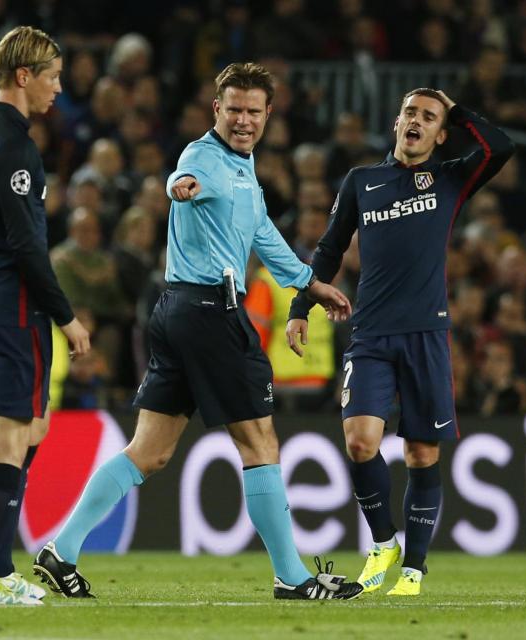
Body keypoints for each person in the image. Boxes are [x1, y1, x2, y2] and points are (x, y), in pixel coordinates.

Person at [33, 62, 362, 602]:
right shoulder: (203, 156)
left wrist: (311, 284)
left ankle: (60, 550)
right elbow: (183, 179)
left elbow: (266, 237)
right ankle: (292, 576)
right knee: (259, 442)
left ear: (268, 115)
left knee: (151, 451)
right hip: (210, 313)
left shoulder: (245, 171)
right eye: (234, 109)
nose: (243, 120)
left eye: (254, 111)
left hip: (182, 313)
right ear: (217, 109)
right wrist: (179, 188)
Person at [287, 88, 514, 596]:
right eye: (411, 112)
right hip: (370, 332)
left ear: (440, 132)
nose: (417, 120)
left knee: (420, 454)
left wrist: (459, 113)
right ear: (396, 122)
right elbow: (329, 249)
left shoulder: (453, 177)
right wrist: (301, 306)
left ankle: (413, 568)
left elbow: (500, 147)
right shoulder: (362, 181)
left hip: (426, 334)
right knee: (360, 440)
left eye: (429, 117)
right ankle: (383, 541)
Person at [0, 26, 90, 606]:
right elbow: (29, 246)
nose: (60, 88)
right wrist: (68, 317)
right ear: (24, 76)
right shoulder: (13, 144)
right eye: (53, 76)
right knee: (9, 440)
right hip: (12, 304)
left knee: (32, 429)